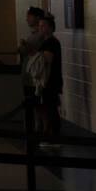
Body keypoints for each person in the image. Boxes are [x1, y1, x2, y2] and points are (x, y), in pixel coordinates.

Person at [36, 14, 63, 145]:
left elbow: (48, 59)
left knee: (50, 108)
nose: (40, 28)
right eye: (39, 26)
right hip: (50, 80)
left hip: (50, 81)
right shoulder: (49, 42)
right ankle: (51, 136)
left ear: (51, 27)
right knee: (48, 108)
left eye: (43, 26)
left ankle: (53, 137)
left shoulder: (51, 43)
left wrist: (36, 55)